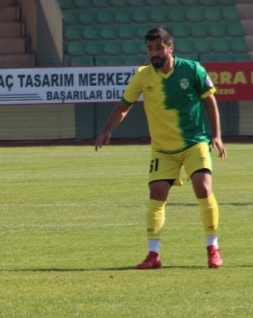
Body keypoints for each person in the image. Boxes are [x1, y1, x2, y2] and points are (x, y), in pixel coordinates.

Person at [94, 26, 227, 269]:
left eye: (158, 48)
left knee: (203, 187)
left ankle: (213, 248)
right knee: (156, 195)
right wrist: (107, 129)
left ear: (170, 48)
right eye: (149, 48)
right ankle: (153, 255)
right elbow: (124, 105)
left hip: (194, 143)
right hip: (163, 150)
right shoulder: (143, 76)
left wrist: (216, 135)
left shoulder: (192, 69)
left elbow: (209, 100)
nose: (153, 53)